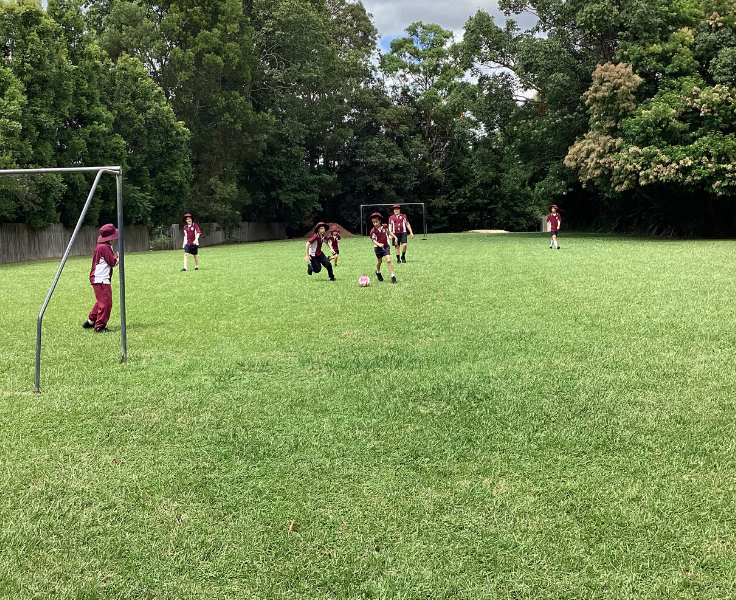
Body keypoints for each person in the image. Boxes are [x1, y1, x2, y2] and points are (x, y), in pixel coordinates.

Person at [82, 223, 119, 333]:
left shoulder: (102, 246)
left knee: (101, 301)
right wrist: (118, 259)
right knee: (106, 302)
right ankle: (100, 326)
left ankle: (91, 321)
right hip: (101, 279)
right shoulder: (105, 247)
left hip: (98, 278)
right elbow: (112, 263)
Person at [369, 212, 397, 283]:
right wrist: (378, 244)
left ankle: (393, 276)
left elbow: (389, 232)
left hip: (386, 246)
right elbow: (373, 240)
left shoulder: (385, 226)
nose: (375, 224)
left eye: (376, 222)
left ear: (380, 220)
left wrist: (395, 237)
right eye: (373, 222)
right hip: (378, 248)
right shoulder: (373, 231)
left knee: (389, 260)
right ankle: (378, 272)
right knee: (379, 261)